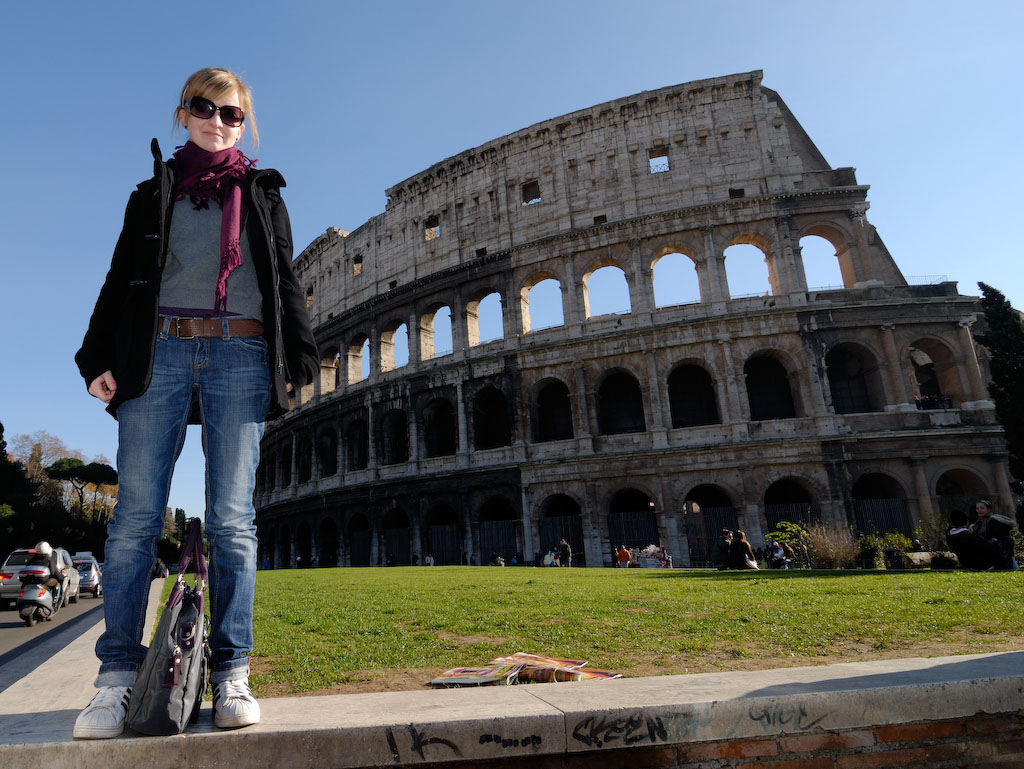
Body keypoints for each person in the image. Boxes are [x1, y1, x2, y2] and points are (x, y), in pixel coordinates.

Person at [73, 68, 318, 740]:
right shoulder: (153, 193)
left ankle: (232, 669)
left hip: (240, 354)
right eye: (205, 109)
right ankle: (116, 678)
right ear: (183, 113)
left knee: (234, 518)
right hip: (161, 349)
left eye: (232, 113)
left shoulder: (263, 195)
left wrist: (298, 356)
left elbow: (286, 280)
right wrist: (96, 357)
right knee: (134, 518)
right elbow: (121, 278)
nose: (218, 121)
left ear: (246, 122)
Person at [971, 499, 1019, 570]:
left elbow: (997, 535)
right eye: (977, 508)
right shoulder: (978, 522)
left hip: (997, 544)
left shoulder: (993, 520)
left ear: (988, 509)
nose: (979, 510)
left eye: (982, 508)